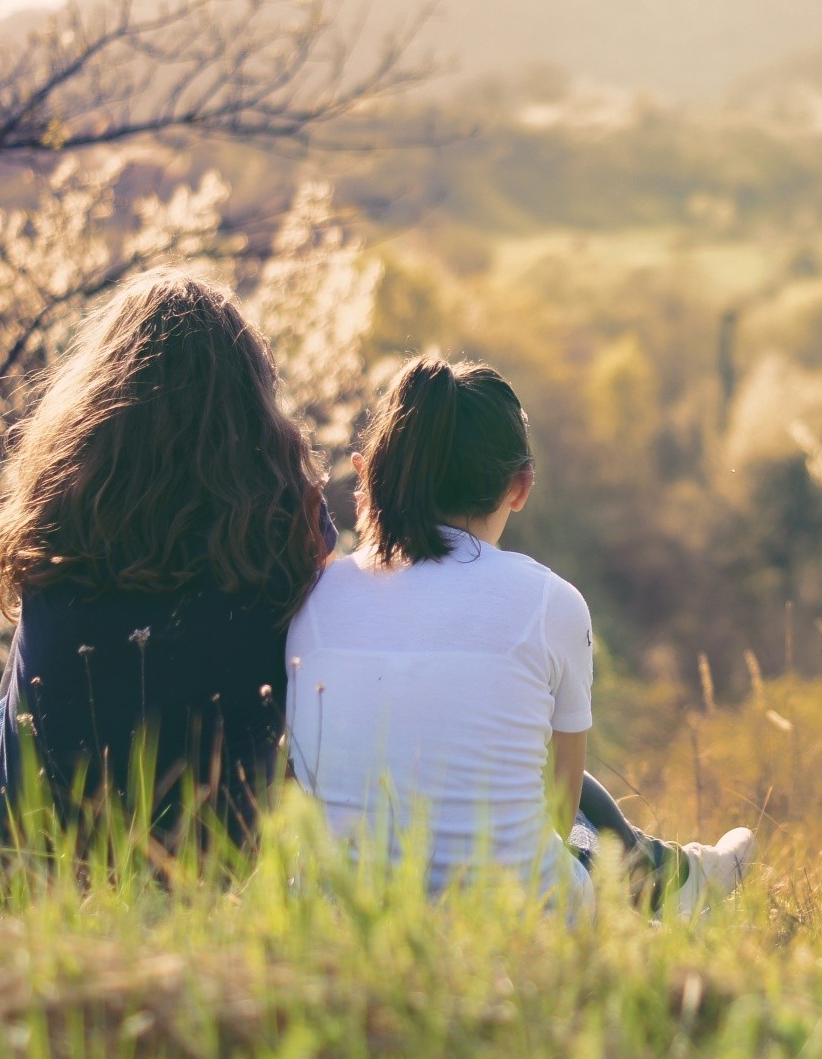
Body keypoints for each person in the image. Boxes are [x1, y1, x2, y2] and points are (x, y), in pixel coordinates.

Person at [285, 356, 754, 916]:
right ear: (521, 486)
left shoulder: (313, 599)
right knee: (541, 787)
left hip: (340, 913)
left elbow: (299, 787)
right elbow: (559, 809)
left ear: (372, 474)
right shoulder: (549, 603)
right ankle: (674, 885)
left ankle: (669, 878)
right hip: (525, 919)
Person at [0, 270, 333, 857]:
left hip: (18, 863)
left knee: (12, 697)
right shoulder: (285, 517)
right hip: (212, 863)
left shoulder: (57, 504)